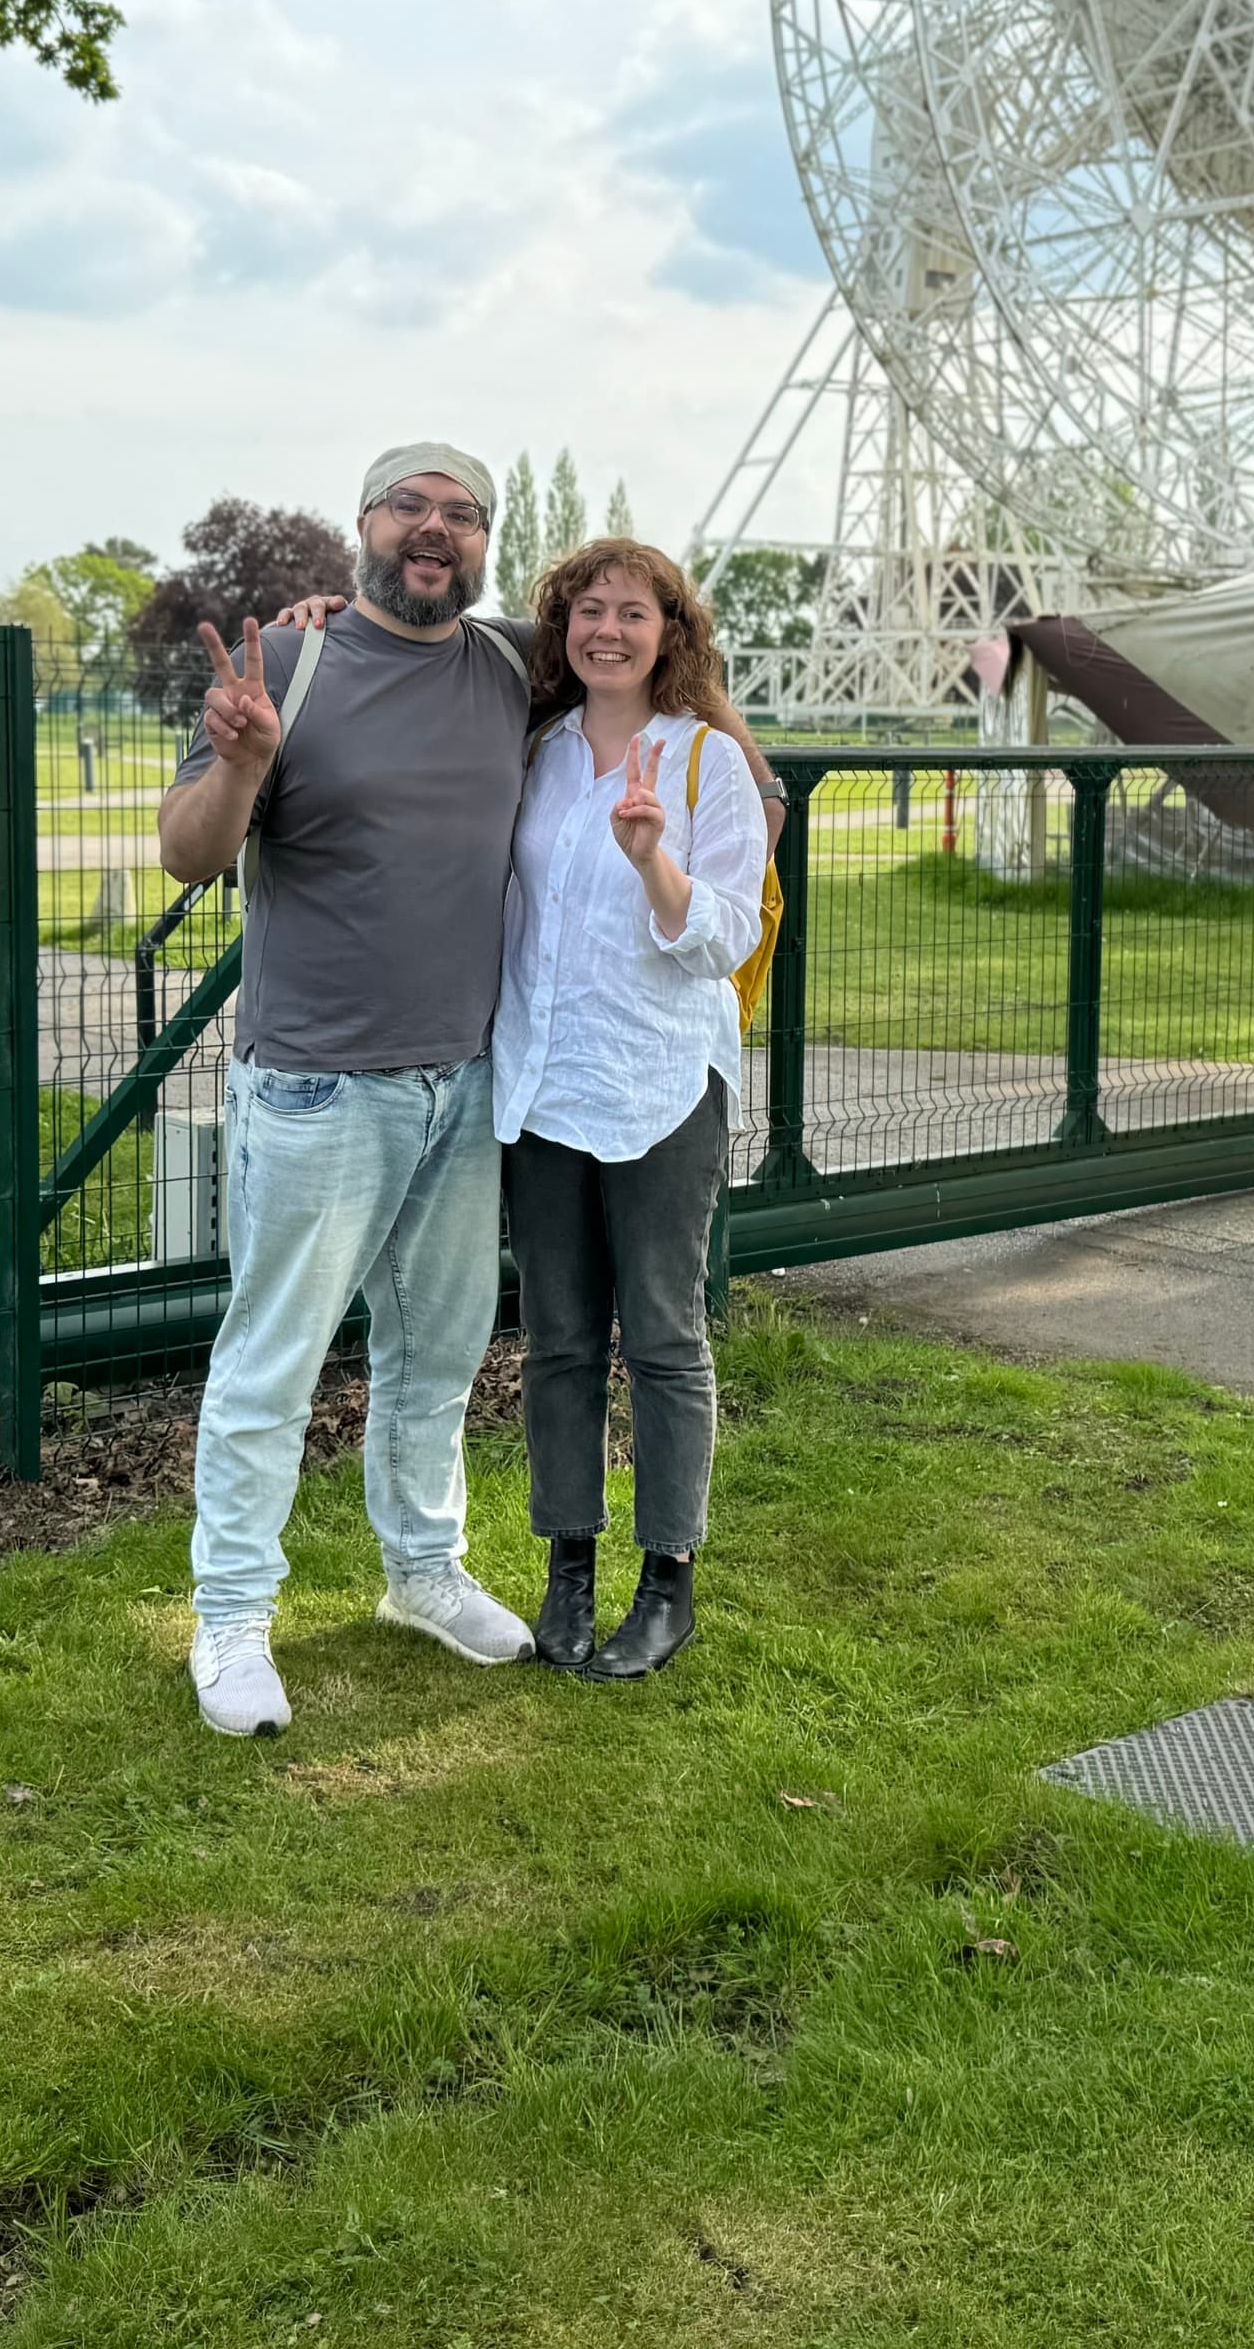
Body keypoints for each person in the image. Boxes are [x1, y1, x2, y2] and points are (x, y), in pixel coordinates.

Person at [154, 446, 542, 1738]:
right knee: (272, 1366)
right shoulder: (286, 662)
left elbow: (645, 651)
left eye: (462, 515)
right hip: (320, 1091)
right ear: (362, 526)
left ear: (488, 543)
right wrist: (246, 763)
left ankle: (422, 1575)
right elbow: (186, 856)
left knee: (435, 1359)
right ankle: (230, 1620)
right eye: (409, 507)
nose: (434, 531)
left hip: (465, 1082)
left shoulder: (509, 670)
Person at [492, 540, 765, 1681]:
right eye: (586, 610)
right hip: (545, 1084)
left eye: (633, 612)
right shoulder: (538, 753)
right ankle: (566, 1573)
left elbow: (729, 936)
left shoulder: (708, 763)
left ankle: (667, 1583)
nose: (608, 629)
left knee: (661, 1339)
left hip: (659, 1084)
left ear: (672, 632)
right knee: (556, 1342)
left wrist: (655, 863)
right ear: (560, 629)